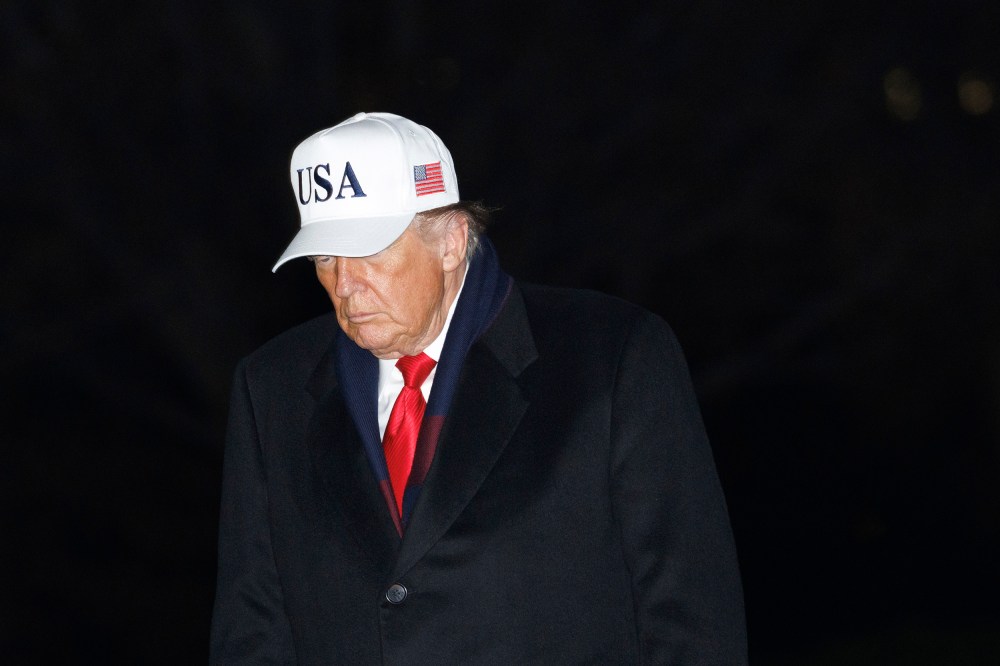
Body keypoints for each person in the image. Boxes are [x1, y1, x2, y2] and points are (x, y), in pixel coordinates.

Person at [210, 112, 747, 664]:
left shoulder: (612, 359)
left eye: (368, 249)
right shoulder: (270, 388)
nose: (344, 285)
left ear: (451, 240)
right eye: (324, 256)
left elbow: (693, 625)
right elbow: (252, 630)